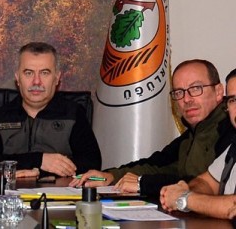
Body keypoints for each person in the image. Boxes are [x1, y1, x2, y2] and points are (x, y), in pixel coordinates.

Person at [72, 59, 232, 198]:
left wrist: (143, 183)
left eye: (196, 88)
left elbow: (204, 184)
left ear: (219, 92)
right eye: (179, 92)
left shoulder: (230, 130)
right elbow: (157, 165)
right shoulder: (193, 133)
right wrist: (111, 175)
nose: (186, 99)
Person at [0, 42, 101, 179]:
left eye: (44, 73)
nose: (36, 81)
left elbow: (92, 164)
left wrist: (40, 172)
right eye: (28, 73)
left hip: (58, 192)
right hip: (9, 191)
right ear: (17, 78)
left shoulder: (73, 114)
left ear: (57, 78)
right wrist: (39, 160)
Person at [159, 67, 236, 219]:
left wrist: (185, 199)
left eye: (195, 89)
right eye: (233, 100)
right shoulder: (233, 146)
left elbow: (232, 207)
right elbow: (207, 182)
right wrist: (186, 190)